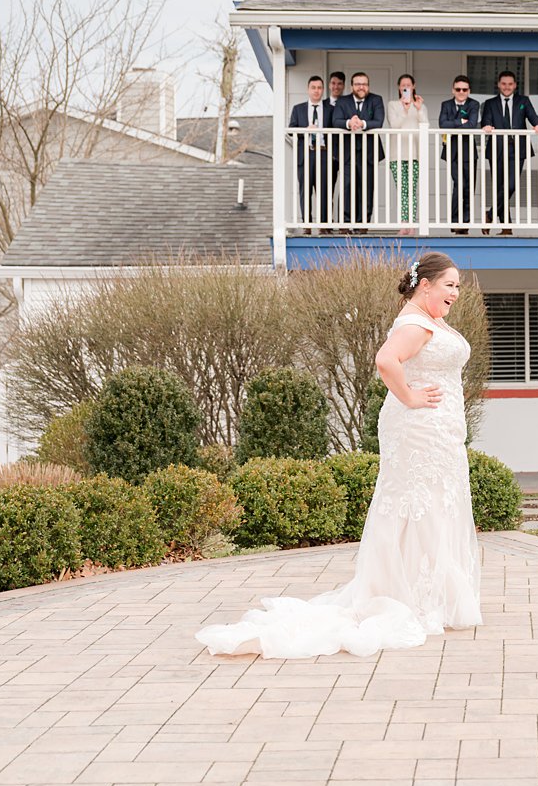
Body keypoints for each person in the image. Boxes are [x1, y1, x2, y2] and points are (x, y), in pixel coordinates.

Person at [197, 252, 481, 659]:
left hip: (438, 429)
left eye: (457, 285)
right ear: (426, 285)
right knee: (419, 505)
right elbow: (386, 360)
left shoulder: (429, 321)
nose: (456, 291)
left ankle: (432, 593)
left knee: (436, 503)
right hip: (419, 430)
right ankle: (411, 596)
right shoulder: (415, 322)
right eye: (450, 284)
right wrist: (411, 397)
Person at [479, 70, 538, 235]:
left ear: (515, 85)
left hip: (517, 148)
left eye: (510, 84)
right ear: (499, 85)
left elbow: (532, 116)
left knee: (511, 185)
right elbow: (486, 120)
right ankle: (506, 226)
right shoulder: (490, 103)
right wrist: (486, 126)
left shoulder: (523, 101)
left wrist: (537, 125)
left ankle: (490, 214)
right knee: (500, 186)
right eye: (504, 84)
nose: (507, 87)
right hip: (497, 149)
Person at [333, 72, 385, 231]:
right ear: (352, 86)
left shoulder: (376, 100)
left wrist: (361, 123)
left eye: (364, 84)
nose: (361, 87)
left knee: (367, 187)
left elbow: (378, 121)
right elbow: (336, 121)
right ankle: (345, 222)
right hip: (348, 152)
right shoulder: (343, 101)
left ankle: (363, 223)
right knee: (347, 186)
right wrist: (349, 123)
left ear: (368, 86)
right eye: (358, 84)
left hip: (368, 152)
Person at [288, 75, 338, 227]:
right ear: (308, 89)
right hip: (307, 154)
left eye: (319, 88)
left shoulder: (331, 109)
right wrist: (305, 130)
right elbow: (291, 130)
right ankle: (307, 225)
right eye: (313, 88)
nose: (316, 91)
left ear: (323, 89)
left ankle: (325, 225)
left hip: (324, 153)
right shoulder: (298, 109)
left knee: (325, 191)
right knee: (305, 191)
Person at [385, 74, 429, 237]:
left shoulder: (419, 105)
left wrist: (417, 109)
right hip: (397, 154)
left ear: (413, 86)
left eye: (409, 85)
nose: (406, 88)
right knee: (402, 189)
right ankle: (405, 223)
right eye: (403, 85)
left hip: (414, 153)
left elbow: (425, 124)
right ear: (399, 87)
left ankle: (412, 224)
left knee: (411, 189)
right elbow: (394, 124)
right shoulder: (393, 105)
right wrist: (404, 109)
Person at [440, 75, 480, 234]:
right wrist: (461, 122)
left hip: (469, 151)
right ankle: (455, 220)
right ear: (453, 90)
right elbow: (442, 124)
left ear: (469, 91)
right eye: (458, 89)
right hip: (452, 150)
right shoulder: (446, 104)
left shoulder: (474, 104)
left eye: (464, 89)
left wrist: (455, 123)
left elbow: (471, 125)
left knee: (469, 187)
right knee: (459, 185)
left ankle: (465, 223)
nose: (461, 92)